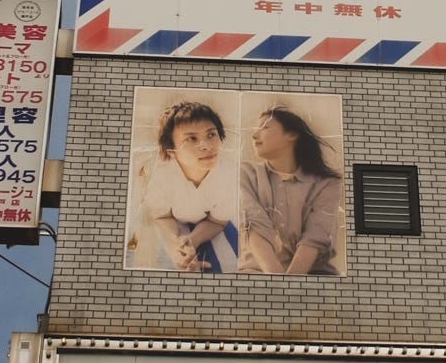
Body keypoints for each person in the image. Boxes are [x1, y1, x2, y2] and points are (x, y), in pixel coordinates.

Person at [239, 106, 343, 276]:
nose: (254, 135)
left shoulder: (327, 183)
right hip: (256, 275)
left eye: (265, 127)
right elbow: (253, 225)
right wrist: (279, 284)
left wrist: (290, 285)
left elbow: (316, 234)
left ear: (292, 134)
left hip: (314, 277)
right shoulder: (245, 174)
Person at [137, 100, 238, 272]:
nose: (207, 146)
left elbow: (217, 221)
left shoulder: (228, 174)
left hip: (208, 220)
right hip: (173, 218)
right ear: (171, 151)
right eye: (192, 138)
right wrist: (177, 245)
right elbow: (162, 216)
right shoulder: (160, 175)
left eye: (211, 135)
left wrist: (192, 241)